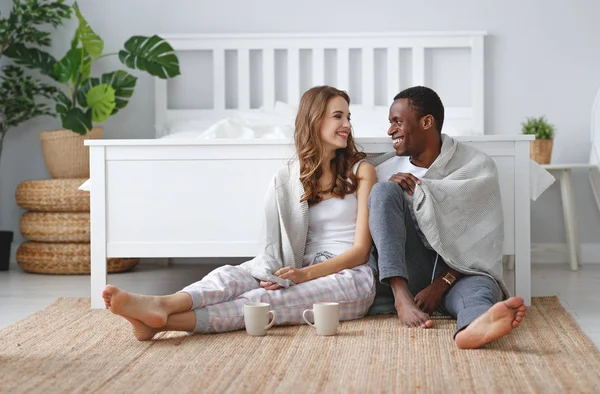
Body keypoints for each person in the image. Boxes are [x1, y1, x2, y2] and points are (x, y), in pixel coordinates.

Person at [102, 85, 377, 340]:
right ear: (314, 120)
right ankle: (162, 304)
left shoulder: (362, 171)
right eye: (338, 116)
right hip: (298, 266)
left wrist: (303, 276)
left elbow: (361, 251)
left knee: (264, 301)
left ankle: (163, 323)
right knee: (230, 276)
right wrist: (283, 271)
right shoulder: (293, 178)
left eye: (348, 117)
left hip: (350, 277)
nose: (347, 125)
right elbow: (280, 242)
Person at [367, 86, 527, 349]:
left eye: (397, 122)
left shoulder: (475, 166)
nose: (390, 131)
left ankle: (474, 327)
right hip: (409, 273)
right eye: (390, 123)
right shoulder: (382, 169)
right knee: (383, 191)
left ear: (427, 122)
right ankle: (400, 299)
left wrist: (442, 283)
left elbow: (480, 241)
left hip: (460, 273)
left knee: (481, 290)